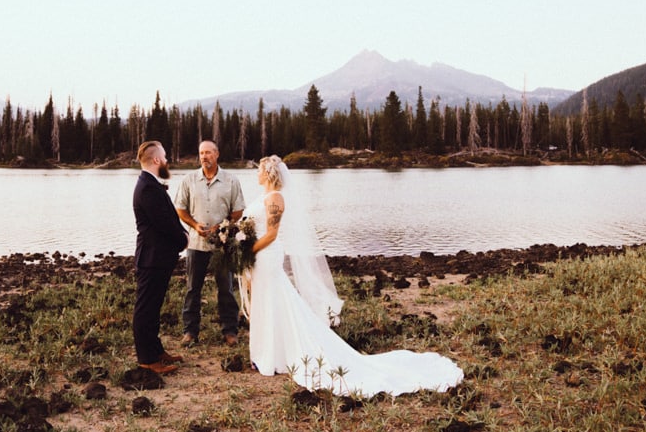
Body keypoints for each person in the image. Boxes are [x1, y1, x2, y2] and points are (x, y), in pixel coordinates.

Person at [243, 155, 464, 396]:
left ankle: (275, 356)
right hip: (259, 257)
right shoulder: (264, 197)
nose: (257, 173)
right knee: (266, 301)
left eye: (260, 170)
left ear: (269, 173)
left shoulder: (275, 198)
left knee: (275, 300)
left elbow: (272, 234)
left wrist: (246, 250)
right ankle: (270, 354)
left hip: (266, 255)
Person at [174, 140, 246, 346]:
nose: (204, 156)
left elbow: (238, 211)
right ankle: (190, 332)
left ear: (217, 154)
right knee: (192, 289)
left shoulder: (231, 181)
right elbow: (180, 209)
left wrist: (222, 226)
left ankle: (230, 331)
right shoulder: (189, 180)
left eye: (208, 153)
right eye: (201, 153)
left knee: (226, 289)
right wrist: (194, 225)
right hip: (196, 244)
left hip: (223, 246)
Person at [132, 140, 188, 375]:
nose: (167, 161)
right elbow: (163, 224)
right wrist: (183, 239)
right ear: (156, 160)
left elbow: (167, 219)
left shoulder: (151, 184)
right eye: (164, 157)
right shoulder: (147, 187)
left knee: (154, 307)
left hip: (159, 257)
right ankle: (146, 360)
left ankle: (156, 351)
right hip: (152, 258)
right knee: (145, 309)